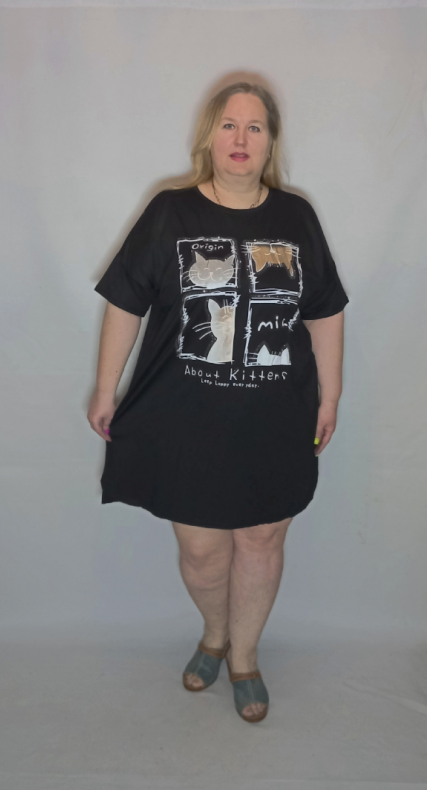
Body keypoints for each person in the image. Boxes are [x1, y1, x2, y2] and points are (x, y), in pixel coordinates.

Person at [88, 81, 349, 724]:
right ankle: (215, 633)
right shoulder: (170, 212)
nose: (240, 138)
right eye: (229, 125)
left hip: (276, 416)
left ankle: (245, 657)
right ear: (209, 136)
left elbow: (324, 309)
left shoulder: (296, 218)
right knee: (203, 550)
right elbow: (125, 301)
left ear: (270, 142)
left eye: (255, 127)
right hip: (186, 418)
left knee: (261, 538)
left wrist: (332, 392)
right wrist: (105, 387)